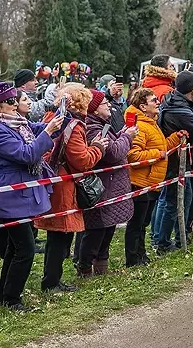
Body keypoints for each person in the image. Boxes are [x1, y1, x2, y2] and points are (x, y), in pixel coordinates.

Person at [0, 81, 64, 311]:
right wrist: (48, 132)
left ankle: (7, 297)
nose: (15, 105)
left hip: (23, 192)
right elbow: (27, 154)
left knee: (16, 247)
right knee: (25, 249)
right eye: (10, 101)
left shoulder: (17, 122)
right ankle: (12, 299)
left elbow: (36, 130)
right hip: (11, 193)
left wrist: (59, 119)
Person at [35, 84, 107, 293]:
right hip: (64, 184)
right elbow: (82, 160)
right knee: (59, 235)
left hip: (52, 181)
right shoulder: (73, 125)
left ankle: (52, 278)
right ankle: (51, 281)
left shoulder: (52, 118)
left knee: (56, 235)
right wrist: (98, 149)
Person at [77, 90, 138, 276]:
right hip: (101, 186)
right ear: (94, 109)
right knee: (96, 231)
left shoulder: (103, 125)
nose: (109, 105)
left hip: (111, 185)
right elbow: (112, 154)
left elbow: (112, 144)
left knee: (108, 229)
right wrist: (127, 137)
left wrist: (122, 133)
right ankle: (85, 268)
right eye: (104, 103)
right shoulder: (92, 128)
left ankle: (101, 268)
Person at [156, 70, 193, 254]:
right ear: (191, 88)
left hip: (180, 162)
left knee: (176, 200)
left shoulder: (176, 101)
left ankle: (174, 238)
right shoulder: (179, 110)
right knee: (174, 202)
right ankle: (164, 243)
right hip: (174, 163)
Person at [124, 88, 182, 266]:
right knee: (137, 224)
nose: (158, 102)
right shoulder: (140, 127)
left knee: (144, 222)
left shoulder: (151, 123)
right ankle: (133, 258)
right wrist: (157, 154)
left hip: (152, 182)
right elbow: (133, 155)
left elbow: (162, 145)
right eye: (153, 100)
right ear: (142, 106)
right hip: (140, 182)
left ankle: (141, 255)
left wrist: (175, 138)